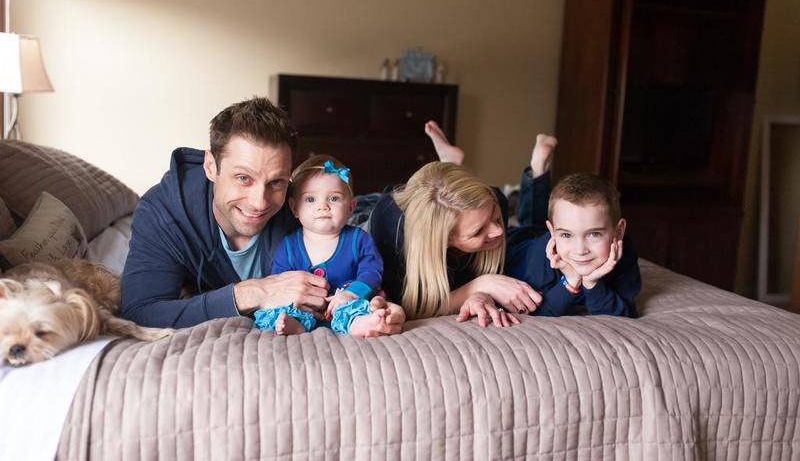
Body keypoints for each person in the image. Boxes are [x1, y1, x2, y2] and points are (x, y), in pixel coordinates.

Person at [120, 97, 405, 331]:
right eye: (243, 178)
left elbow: (360, 270)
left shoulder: (299, 208)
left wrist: (377, 304)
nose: (259, 202)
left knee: (394, 212)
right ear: (211, 166)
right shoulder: (164, 213)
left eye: (276, 183)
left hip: (358, 213)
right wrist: (254, 292)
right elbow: (140, 311)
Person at [369, 122, 557, 327]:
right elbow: (408, 306)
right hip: (370, 212)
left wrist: (481, 294)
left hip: (440, 209)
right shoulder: (393, 235)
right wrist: (481, 284)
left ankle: (450, 165)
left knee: (530, 237)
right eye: (478, 231)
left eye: (494, 218)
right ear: (443, 240)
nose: (498, 230)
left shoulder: (493, 198)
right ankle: (449, 164)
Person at [253, 155, 393, 337]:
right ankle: (296, 325)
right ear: (295, 208)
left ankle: (358, 324)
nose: (323, 206)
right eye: (310, 199)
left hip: (345, 302)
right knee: (270, 312)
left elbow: (372, 271)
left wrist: (352, 293)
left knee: (365, 305)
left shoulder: (358, 239)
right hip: (304, 308)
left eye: (334, 198)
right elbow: (280, 282)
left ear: (351, 207)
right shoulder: (288, 246)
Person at [505, 173, 641, 317]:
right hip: (517, 243)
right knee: (527, 223)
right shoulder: (541, 263)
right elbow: (537, 313)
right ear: (552, 232)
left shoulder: (625, 253)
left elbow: (626, 313)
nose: (580, 250)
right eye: (566, 235)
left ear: (619, 231)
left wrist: (592, 283)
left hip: (540, 234)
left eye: (594, 234)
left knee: (534, 222)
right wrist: (570, 281)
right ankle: (530, 181)